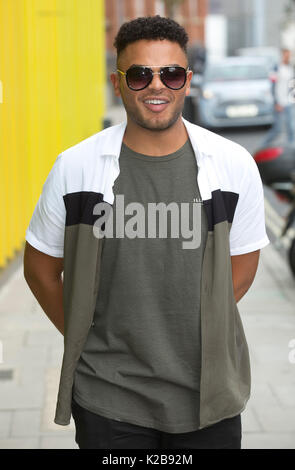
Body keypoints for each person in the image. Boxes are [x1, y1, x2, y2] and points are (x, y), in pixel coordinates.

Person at [23, 16, 270, 449]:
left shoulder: (232, 166)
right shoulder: (75, 167)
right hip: (109, 395)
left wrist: (195, 324)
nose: (157, 86)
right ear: (118, 84)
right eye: (139, 74)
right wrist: (85, 334)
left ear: (187, 81)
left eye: (170, 73)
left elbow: (243, 267)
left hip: (209, 393)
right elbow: (41, 268)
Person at [260, 48, 295, 148]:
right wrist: (276, 102)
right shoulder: (276, 68)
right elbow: (272, 86)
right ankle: (262, 147)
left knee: (291, 128)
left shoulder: (290, 68)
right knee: (277, 129)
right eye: (286, 55)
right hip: (279, 102)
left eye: (289, 55)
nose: (288, 57)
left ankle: (291, 150)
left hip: (288, 102)